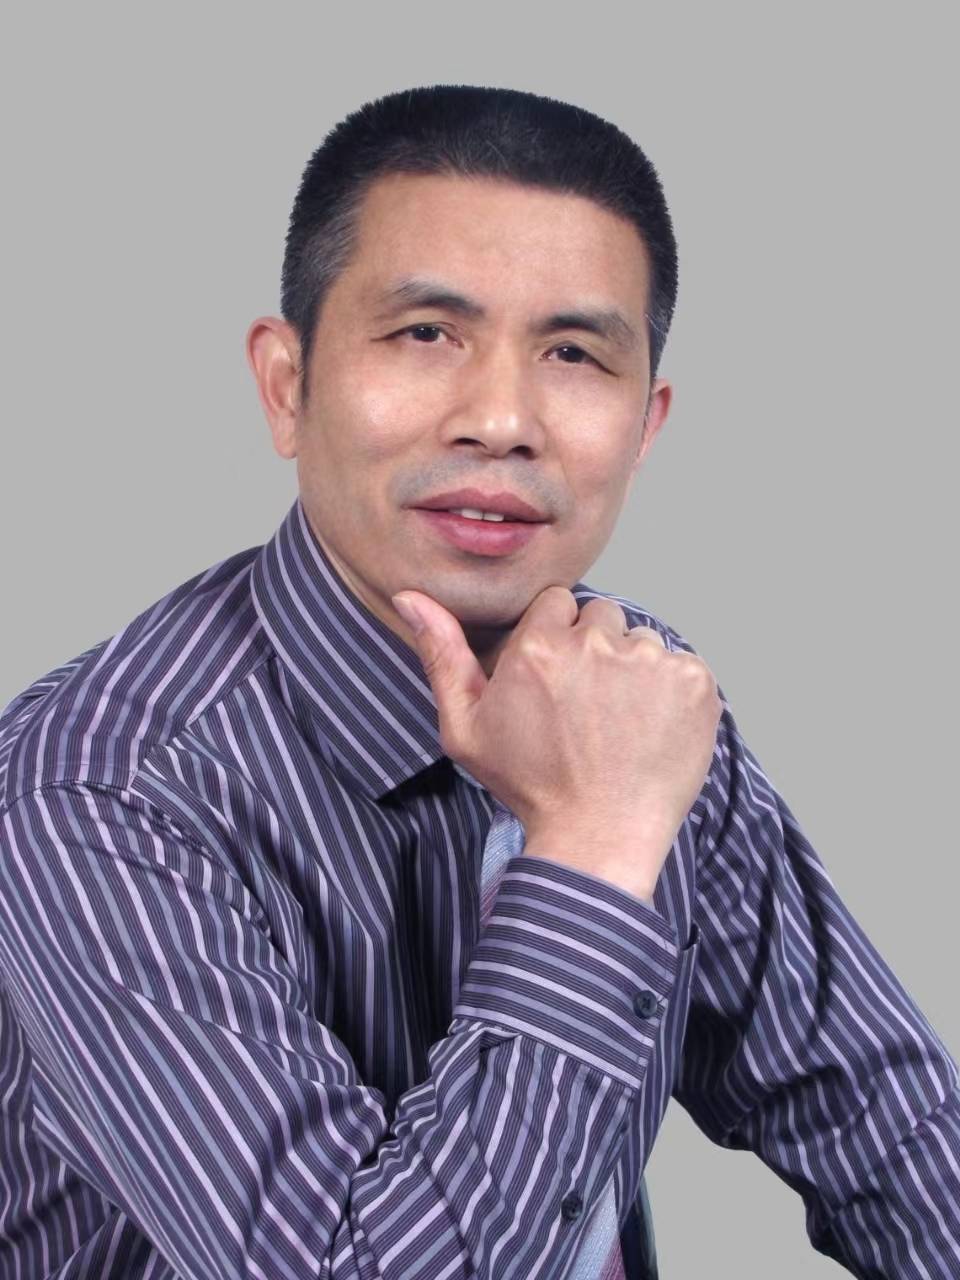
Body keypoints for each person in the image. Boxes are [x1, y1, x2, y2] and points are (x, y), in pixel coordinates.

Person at [0, 83, 956, 1280]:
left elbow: (885, 1121)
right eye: (425, 334)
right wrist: (593, 845)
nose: (502, 418)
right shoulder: (96, 790)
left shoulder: (633, 698)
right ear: (287, 383)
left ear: (645, 425)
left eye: (573, 353)